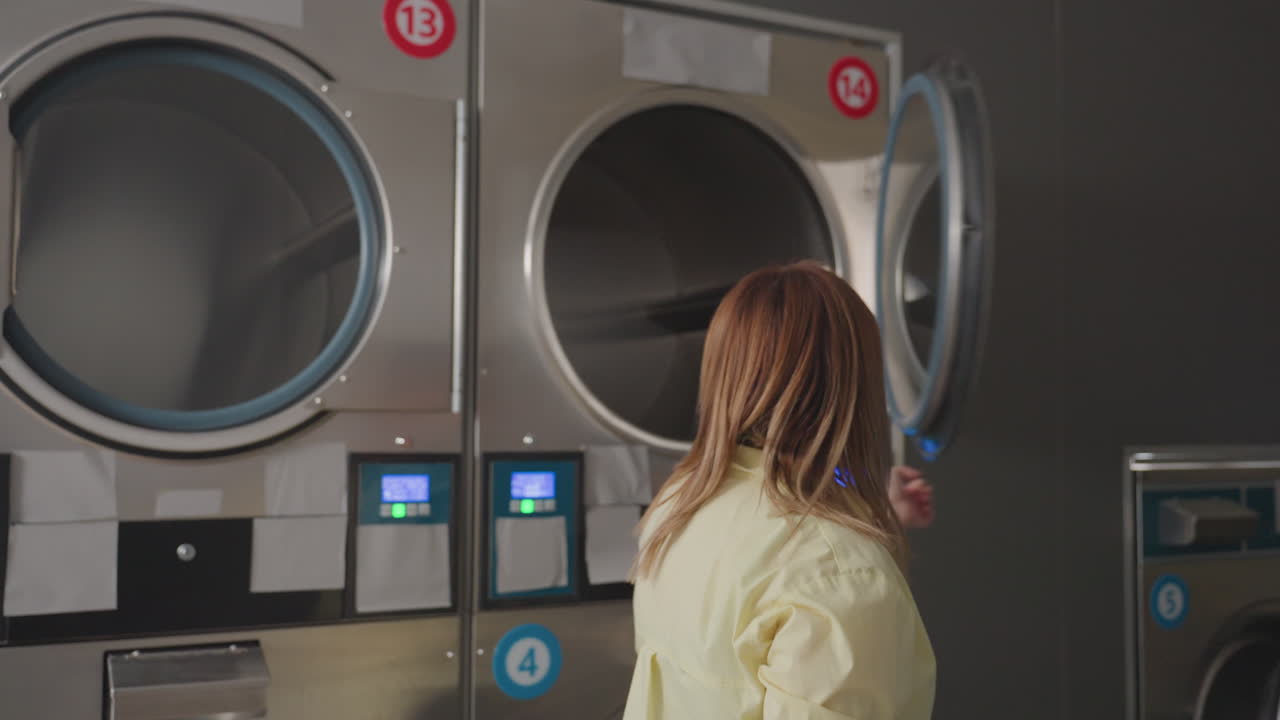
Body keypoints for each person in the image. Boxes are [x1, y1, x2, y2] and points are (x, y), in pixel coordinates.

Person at [623, 261, 936, 720]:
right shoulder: (841, 576)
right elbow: (818, 569)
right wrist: (850, 544)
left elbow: (777, 515)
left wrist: (871, 510)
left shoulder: (679, 503)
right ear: (855, 386)